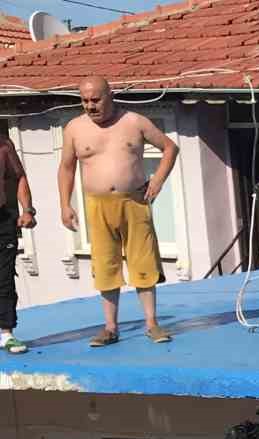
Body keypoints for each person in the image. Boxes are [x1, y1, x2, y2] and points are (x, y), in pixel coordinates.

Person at [58, 76, 179, 347]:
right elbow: (66, 167)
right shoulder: (75, 128)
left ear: (109, 96)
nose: (90, 106)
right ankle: (110, 328)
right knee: (105, 265)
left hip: (134, 202)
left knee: (143, 263)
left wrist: (157, 179)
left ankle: (151, 324)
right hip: (97, 205)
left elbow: (170, 148)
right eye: (85, 100)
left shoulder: (134, 122)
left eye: (95, 100)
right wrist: (65, 205)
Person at [0, 127, 36, 354]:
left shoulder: (4, 145)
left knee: (4, 278)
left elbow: (19, 176)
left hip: (3, 219)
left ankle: (6, 334)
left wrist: (28, 210)